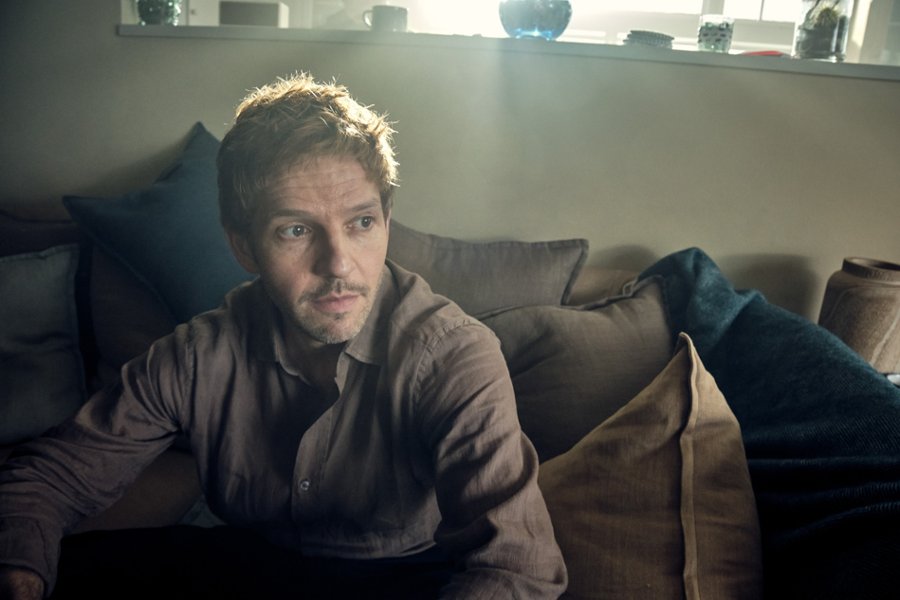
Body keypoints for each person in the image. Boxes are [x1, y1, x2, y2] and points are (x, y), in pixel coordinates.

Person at [0, 73, 567, 599]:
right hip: (254, 562)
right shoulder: (200, 354)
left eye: (361, 223)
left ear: (386, 222)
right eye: (296, 230)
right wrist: (21, 576)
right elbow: (50, 476)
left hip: (403, 577)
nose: (338, 264)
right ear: (243, 246)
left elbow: (516, 568)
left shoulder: (452, 355)